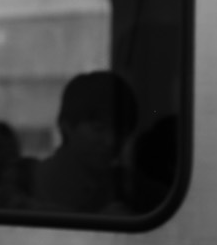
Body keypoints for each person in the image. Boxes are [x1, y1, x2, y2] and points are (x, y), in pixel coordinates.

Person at [29, 71, 138, 213]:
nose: (110, 141)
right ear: (66, 125)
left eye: (121, 132)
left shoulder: (129, 187)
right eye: (99, 128)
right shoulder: (27, 183)